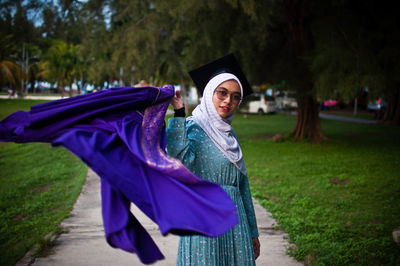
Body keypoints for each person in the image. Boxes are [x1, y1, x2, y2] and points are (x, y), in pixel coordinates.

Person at [166, 54, 260, 265]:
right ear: (209, 93)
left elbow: (242, 186)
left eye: (236, 97)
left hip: (236, 223)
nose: (229, 101)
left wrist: (253, 232)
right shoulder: (192, 127)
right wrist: (179, 112)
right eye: (222, 93)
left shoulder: (230, 137)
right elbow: (176, 158)